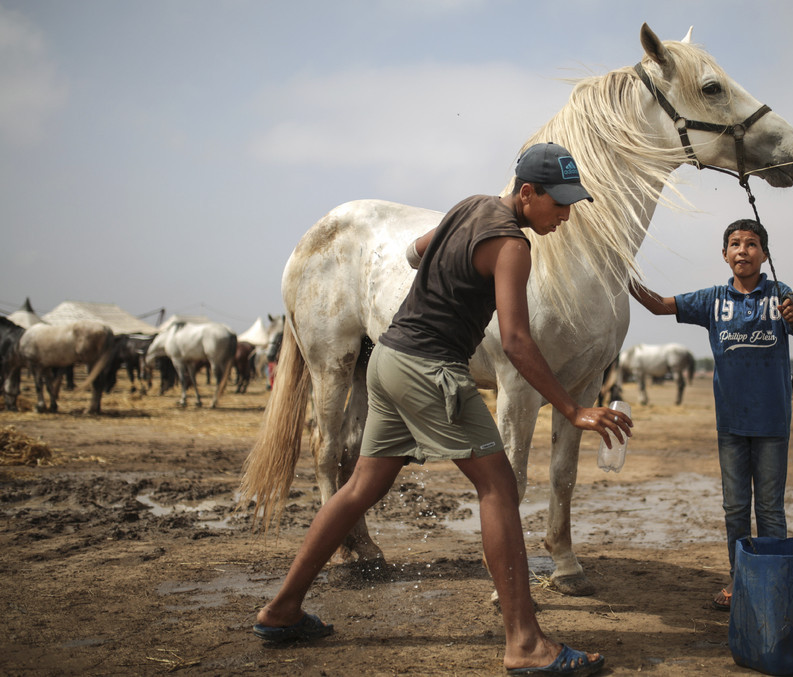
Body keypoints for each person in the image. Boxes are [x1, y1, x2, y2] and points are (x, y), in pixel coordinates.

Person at [252, 142, 631, 676]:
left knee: (361, 487)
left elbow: (412, 253)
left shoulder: (469, 206)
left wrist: (448, 278)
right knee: (498, 488)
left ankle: (281, 609)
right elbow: (518, 342)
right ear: (528, 193)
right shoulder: (513, 247)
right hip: (431, 369)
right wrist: (572, 409)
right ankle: (525, 643)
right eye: (560, 203)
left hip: (388, 358)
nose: (566, 216)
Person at [628, 218, 793, 612]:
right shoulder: (712, 299)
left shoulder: (781, 296)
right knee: (734, 508)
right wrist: (621, 272)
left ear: (765, 254)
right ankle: (741, 579)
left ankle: (774, 582)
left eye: (751, 244)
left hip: (772, 423)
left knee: (769, 509)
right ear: (725, 254)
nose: (743, 251)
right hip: (731, 424)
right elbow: (660, 305)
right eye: (735, 244)